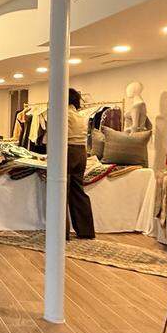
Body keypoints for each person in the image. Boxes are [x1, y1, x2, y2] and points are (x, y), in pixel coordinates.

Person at [67, 88, 96, 239]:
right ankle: (86, 231)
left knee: (61, 192)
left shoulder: (63, 114)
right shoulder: (82, 115)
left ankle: (61, 231)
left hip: (67, 151)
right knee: (78, 191)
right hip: (81, 152)